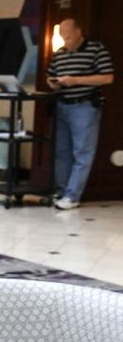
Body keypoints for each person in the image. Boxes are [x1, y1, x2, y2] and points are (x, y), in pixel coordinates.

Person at [46, 17, 114, 210]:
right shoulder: (60, 53)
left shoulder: (96, 49)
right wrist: (53, 82)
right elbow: (50, 74)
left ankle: (72, 195)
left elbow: (108, 77)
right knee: (61, 151)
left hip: (84, 105)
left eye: (68, 37)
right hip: (62, 104)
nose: (65, 42)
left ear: (78, 32)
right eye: (62, 38)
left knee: (82, 151)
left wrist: (76, 80)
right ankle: (60, 190)